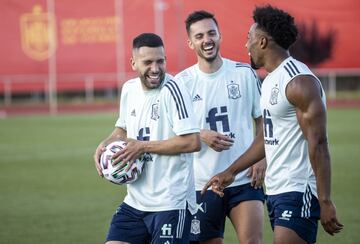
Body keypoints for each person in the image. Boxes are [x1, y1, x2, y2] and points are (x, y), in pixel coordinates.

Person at [203, 5, 344, 244]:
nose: (245, 45)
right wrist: (230, 172)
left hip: (299, 188)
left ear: (263, 42)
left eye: (249, 39)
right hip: (276, 189)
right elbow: (267, 138)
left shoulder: (299, 82)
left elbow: (318, 143)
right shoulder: (270, 80)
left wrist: (325, 200)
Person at [93, 33, 201, 244]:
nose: (155, 68)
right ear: (133, 63)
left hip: (171, 202)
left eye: (160, 61)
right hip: (135, 201)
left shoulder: (174, 90)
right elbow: (122, 129)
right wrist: (105, 144)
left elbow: (192, 142)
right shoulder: (129, 89)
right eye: (148, 62)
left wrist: (143, 147)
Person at [175, 10, 266, 244]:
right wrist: (200, 134)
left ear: (220, 36)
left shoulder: (244, 74)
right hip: (201, 184)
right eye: (199, 36)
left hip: (244, 179)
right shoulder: (181, 83)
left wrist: (261, 158)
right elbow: (172, 132)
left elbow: (263, 121)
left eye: (211, 33)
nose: (207, 40)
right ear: (190, 42)